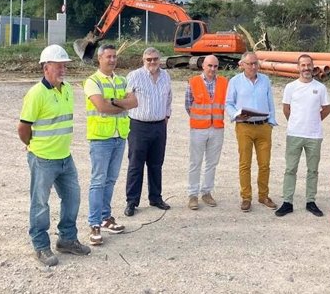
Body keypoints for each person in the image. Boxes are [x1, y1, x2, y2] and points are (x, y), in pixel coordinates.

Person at [17, 44, 90, 266]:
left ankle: (67, 239)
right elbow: (23, 128)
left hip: (65, 158)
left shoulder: (66, 89)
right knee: (40, 203)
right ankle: (40, 246)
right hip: (43, 159)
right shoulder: (36, 94)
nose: (62, 69)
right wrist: (32, 146)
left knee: (72, 198)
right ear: (45, 67)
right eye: (58, 65)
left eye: (64, 65)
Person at [83, 44, 138, 246]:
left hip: (119, 136)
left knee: (110, 180)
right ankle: (94, 223)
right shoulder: (92, 81)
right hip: (101, 138)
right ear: (100, 58)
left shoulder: (122, 80)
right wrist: (118, 104)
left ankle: (106, 218)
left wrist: (114, 102)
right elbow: (101, 106)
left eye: (114, 56)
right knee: (98, 181)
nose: (112, 60)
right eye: (108, 56)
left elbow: (134, 103)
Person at [276, 54, 330, 217]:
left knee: (313, 170)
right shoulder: (290, 87)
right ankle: (287, 202)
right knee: (290, 168)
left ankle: (310, 201)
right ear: (298, 67)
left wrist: (314, 120)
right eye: (303, 65)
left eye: (309, 65)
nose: (306, 68)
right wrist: (295, 121)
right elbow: (286, 109)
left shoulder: (320, 88)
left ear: (313, 67)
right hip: (294, 134)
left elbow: (326, 109)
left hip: (314, 135)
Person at [123, 47, 173, 216]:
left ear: (160, 59)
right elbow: (126, 99)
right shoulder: (134, 76)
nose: (152, 62)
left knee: (156, 164)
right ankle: (132, 201)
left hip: (159, 126)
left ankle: (155, 197)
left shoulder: (166, 76)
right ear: (143, 60)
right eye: (148, 59)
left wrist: (166, 116)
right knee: (135, 165)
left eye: (155, 59)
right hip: (139, 126)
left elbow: (169, 99)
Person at [226, 51, 277, 212]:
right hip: (244, 127)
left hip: (263, 127)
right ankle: (246, 197)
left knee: (264, 164)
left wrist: (270, 122)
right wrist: (236, 115)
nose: (254, 66)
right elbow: (228, 103)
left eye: (256, 63)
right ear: (242, 65)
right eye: (250, 64)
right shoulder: (235, 81)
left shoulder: (265, 80)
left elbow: (270, 103)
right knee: (245, 164)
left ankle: (263, 195)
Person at [185, 54, 228, 210]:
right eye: (210, 66)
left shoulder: (224, 82)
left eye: (215, 66)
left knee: (212, 163)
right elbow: (188, 104)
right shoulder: (194, 82)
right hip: (198, 129)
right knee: (195, 162)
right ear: (203, 65)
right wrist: (200, 119)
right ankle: (193, 195)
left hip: (217, 128)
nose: (212, 69)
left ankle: (207, 192)